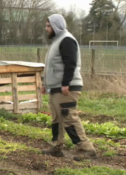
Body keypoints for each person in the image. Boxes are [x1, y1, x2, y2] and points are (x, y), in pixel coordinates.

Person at [41, 14, 97, 159]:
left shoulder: (66, 40)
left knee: (68, 118)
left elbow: (70, 63)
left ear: (56, 26)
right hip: (55, 88)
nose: (46, 29)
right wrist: (44, 84)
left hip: (66, 87)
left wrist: (66, 83)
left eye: (48, 26)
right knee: (56, 119)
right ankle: (56, 146)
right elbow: (50, 67)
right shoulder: (57, 41)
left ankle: (87, 149)